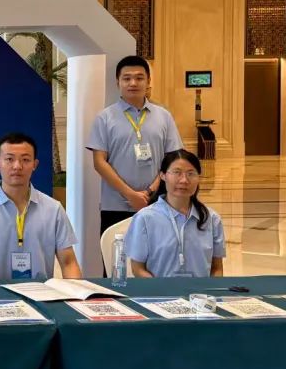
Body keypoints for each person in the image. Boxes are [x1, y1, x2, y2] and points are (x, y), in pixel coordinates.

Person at [0, 133, 82, 280]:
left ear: (35, 165)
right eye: (9, 159)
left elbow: (68, 263)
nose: (17, 166)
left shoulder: (53, 209)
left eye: (25, 160)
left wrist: (75, 291)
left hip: (41, 291)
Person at [87, 55, 183, 236]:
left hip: (158, 202)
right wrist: (131, 195)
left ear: (148, 81)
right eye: (127, 78)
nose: (133, 83)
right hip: (115, 205)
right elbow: (99, 162)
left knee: (158, 252)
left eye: (139, 78)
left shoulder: (164, 116)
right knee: (117, 253)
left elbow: (173, 160)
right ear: (118, 82)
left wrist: (150, 190)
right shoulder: (104, 118)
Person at [125, 149, 225, 278]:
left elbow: (217, 269)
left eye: (191, 174)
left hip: (200, 291)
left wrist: (208, 290)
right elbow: (138, 269)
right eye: (177, 172)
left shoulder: (211, 219)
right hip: (159, 290)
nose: (184, 180)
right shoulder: (144, 218)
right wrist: (161, 289)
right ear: (163, 175)